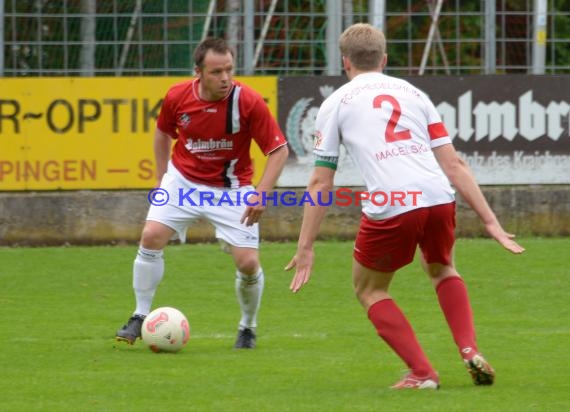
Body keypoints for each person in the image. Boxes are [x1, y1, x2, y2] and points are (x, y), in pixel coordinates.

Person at [285, 23, 525, 389]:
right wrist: (490, 221)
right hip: (437, 196)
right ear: (383, 59)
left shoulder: (335, 103)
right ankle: (469, 349)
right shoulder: (414, 93)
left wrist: (305, 247)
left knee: (370, 290)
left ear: (344, 62)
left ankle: (423, 373)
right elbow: (454, 164)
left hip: (393, 202)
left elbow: (321, 181)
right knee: (443, 269)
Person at [116, 37, 289, 349]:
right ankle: (140, 315)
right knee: (151, 235)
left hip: (232, 188)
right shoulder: (178, 96)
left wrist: (261, 194)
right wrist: (160, 182)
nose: (225, 78)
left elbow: (279, 150)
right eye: (216, 72)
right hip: (182, 181)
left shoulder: (247, 101)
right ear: (198, 72)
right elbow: (162, 135)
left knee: (248, 263)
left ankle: (247, 327)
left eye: (229, 71)